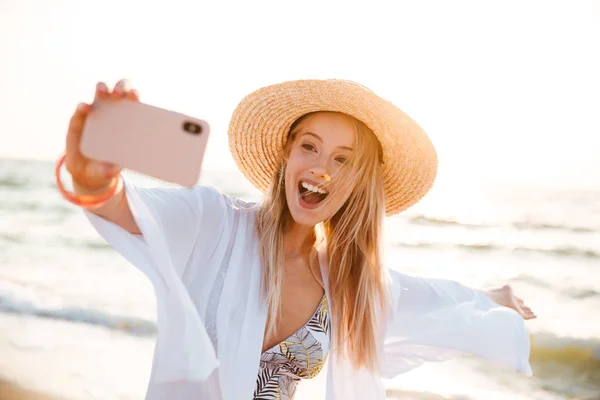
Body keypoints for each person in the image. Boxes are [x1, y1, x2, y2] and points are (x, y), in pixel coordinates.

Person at [59, 78, 536, 400]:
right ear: (288, 154)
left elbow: (433, 298)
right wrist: (92, 179)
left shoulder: (353, 285)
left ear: (359, 182)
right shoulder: (214, 222)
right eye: (310, 146)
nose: (321, 169)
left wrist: (492, 297)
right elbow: (127, 210)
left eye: (344, 160)